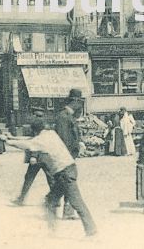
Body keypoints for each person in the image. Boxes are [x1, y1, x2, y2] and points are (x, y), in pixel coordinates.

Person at [3, 119, 96, 236]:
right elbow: (31, 141)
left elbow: (27, 144)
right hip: (67, 170)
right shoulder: (51, 134)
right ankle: (52, 232)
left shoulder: (40, 141)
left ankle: (91, 230)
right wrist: (12, 137)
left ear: (35, 131)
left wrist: (8, 141)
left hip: (64, 174)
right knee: (50, 201)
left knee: (76, 202)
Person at [12, 107, 52, 206]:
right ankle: (54, 199)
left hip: (37, 156)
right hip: (46, 155)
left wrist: (33, 156)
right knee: (50, 178)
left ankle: (21, 199)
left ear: (35, 114)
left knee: (29, 177)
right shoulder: (46, 124)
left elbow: (37, 141)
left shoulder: (37, 124)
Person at [54, 89, 85, 219]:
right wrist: (71, 151)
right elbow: (64, 138)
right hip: (65, 155)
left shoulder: (69, 116)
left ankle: (64, 209)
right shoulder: (63, 117)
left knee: (64, 182)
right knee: (67, 181)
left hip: (69, 155)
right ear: (76, 102)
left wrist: (80, 143)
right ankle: (62, 209)